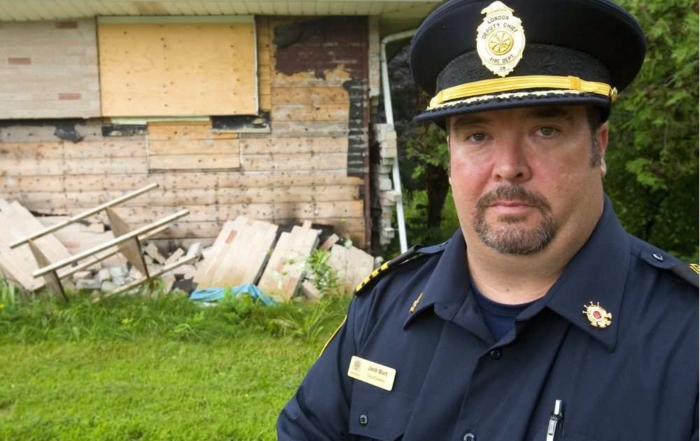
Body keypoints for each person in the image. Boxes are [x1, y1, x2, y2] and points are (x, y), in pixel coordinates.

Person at [277, 0, 699, 439]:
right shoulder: (384, 308)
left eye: (546, 130)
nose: (508, 166)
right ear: (451, 158)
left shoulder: (688, 335)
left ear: (600, 146)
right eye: (478, 135)